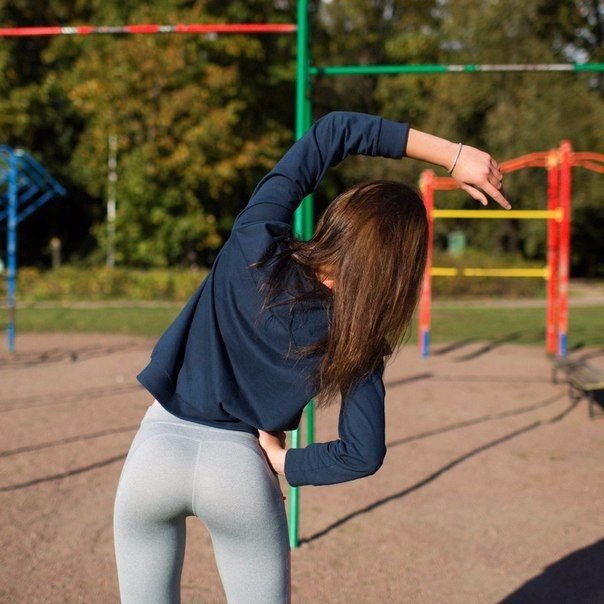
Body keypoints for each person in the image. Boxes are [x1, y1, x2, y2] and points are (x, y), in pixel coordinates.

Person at [113, 111, 510, 604]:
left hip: (153, 455)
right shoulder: (358, 335)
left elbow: (333, 131)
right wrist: (284, 462)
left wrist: (454, 155)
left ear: (339, 218)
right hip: (242, 472)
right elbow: (363, 453)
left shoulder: (255, 238)